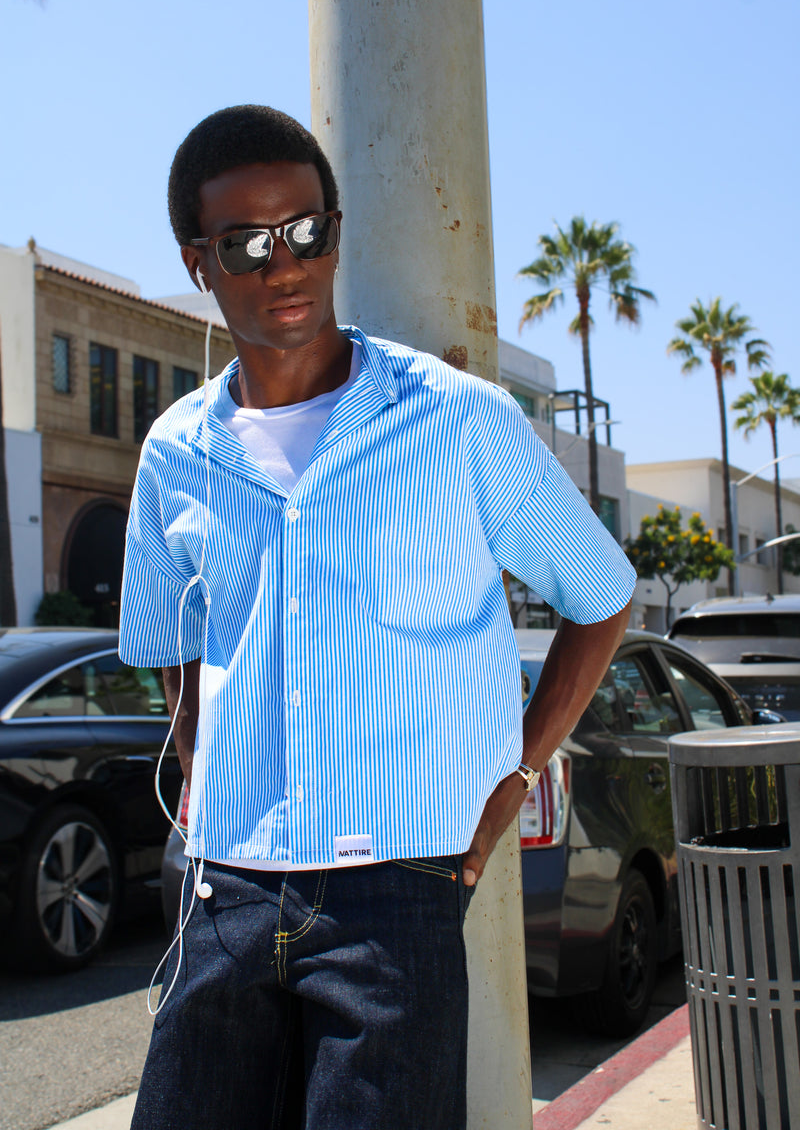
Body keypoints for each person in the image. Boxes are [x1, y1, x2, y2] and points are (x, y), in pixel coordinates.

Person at [119, 104, 635, 1130]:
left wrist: (519, 769)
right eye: (247, 244)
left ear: (335, 230)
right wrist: (206, 769)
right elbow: (169, 647)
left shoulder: (454, 419)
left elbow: (600, 595)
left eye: (306, 230)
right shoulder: (173, 452)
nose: (285, 265)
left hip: (391, 899)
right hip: (223, 891)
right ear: (198, 261)